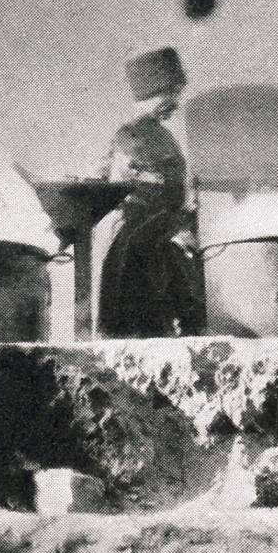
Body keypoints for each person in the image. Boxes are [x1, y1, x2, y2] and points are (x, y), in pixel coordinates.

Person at [98, 47, 205, 338]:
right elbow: (131, 185)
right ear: (150, 93)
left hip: (163, 232)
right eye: (170, 93)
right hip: (140, 237)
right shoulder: (131, 134)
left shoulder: (161, 134)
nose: (175, 102)